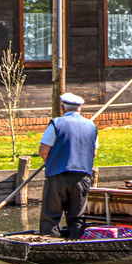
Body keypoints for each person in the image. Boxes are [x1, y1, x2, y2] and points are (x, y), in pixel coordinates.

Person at [38, 92, 99, 239]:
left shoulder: (56, 123)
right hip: (81, 176)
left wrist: (53, 162)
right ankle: (76, 245)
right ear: (80, 108)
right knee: (77, 217)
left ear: (63, 107)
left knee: (50, 216)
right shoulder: (91, 126)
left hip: (58, 175)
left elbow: (43, 151)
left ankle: (49, 245)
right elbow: (93, 153)